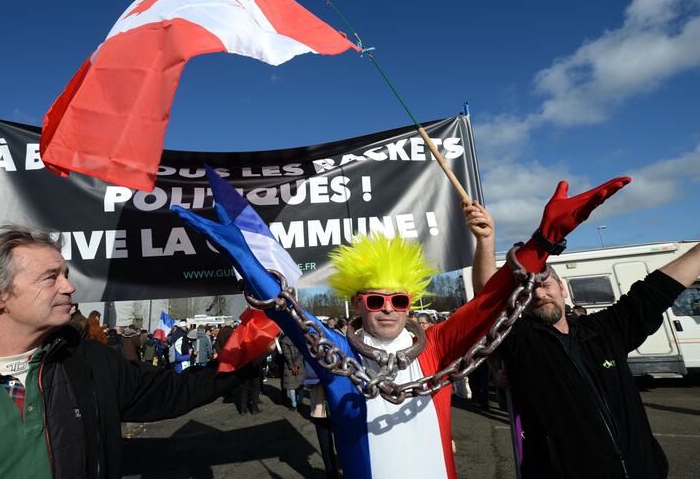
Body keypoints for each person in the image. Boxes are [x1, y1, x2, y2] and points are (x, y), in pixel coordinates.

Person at [175, 174, 629, 478]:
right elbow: (286, 313)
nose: (388, 308)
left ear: (410, 303)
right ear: (358, 303)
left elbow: (493, 301)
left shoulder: (437, 347)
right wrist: (246, 261)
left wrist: (544, 241)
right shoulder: (337, 352)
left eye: (398, 299)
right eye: (376, 299)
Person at [0, 225, 259, 478]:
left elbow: (174, 392)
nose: (70, 286)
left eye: (66, 274)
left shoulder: (87, 362)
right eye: (50, 277)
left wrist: (249, 350)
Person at [468, 201, 700, 478]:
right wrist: (485, 240)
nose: (539, 295)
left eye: (545, 284)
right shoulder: (521, 342)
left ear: (563, 289)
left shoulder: (604, 329)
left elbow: (653, 292)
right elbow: (488, 303)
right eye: (526, 293)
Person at [280, 333, 306, 411]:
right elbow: (302, 353)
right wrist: (297, 365)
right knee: (300, 385)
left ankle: (294, 405)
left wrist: (292, 366)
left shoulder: (284, 340)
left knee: (291, 387)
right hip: (300, 364)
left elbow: (286, 355)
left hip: (289, 366)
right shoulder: (300, 337)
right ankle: (300, 402)